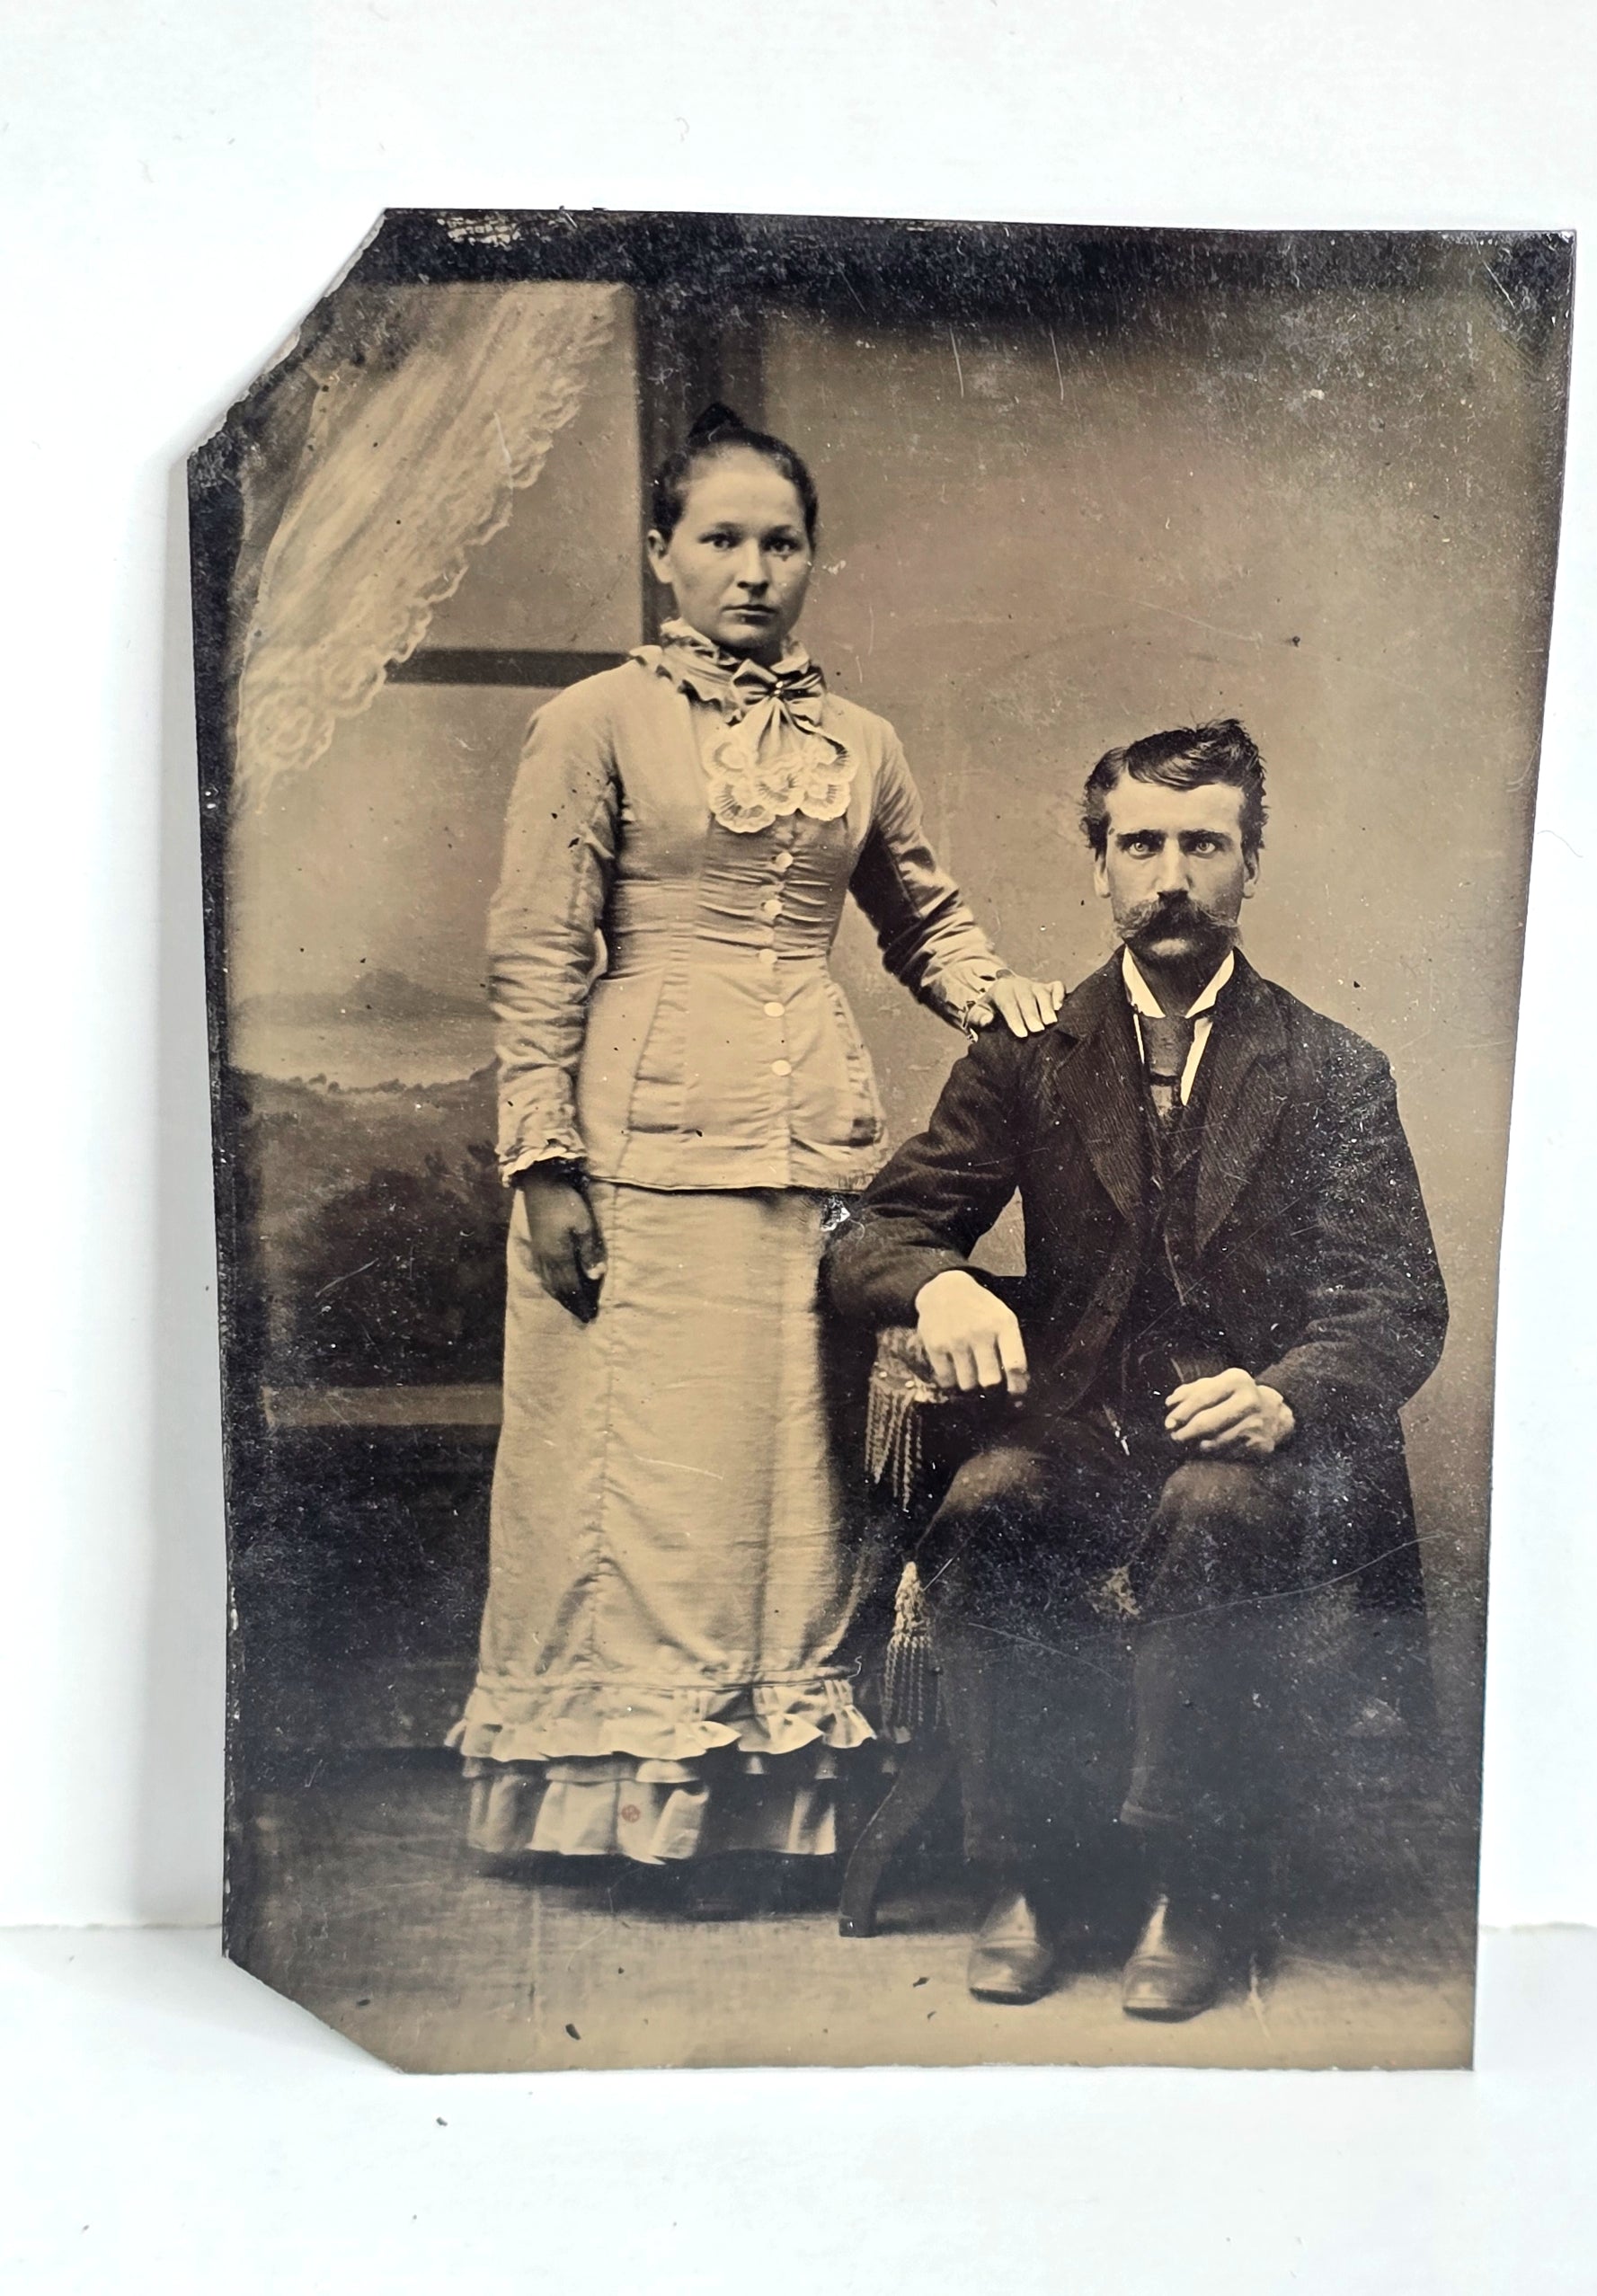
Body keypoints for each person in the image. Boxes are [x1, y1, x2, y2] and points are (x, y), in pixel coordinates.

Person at [449, 404, 1063, 1910]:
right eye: (719, 539)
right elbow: (537, 951)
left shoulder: (863, 743)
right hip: (634, 1153)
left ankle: (767, 1822)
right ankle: (633, 1821)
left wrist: (1018, 999)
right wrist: (542, 1164)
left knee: (787, 1484)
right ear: (662, 554)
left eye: (780, 543)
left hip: (809, 1148)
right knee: (646, 1486)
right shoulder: (593, 721)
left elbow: (924, 919)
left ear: (812, 560)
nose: (752, 571)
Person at [824, 720, 1448, 2015]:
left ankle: (1192, 1890)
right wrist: (936, 1278)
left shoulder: (1333, 1069)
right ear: (1098, 866)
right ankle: (1024, 1880)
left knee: (1214, 1515)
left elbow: (1396, 1300)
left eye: (1204, 844)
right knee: (990, 1507)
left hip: (1252, 1442)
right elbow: (872, 1229)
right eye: (1140, 844)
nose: (1171, 875)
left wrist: (1288, 1392)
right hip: (1080, 1429)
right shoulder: (1028, 1053)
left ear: (1248, 864)